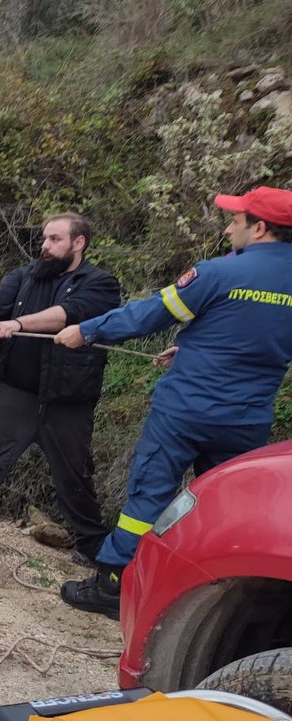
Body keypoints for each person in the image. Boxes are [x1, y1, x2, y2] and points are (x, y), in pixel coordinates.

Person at [54, 186, 292, 619]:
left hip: (185, 411)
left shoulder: (218, 273)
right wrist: (196, 348)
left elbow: (150, 314)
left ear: (260, 228)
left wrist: (87, 331)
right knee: (225, 510)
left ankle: (113, 586)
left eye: (235, 221)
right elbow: (255, 339)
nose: (228, 229)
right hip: (247, 419)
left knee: (148, 497)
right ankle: (214, 606)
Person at [0, 213, 122, 568]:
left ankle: (93, 544)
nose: (44, 246)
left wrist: (17, 323)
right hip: (14, 392)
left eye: (55, 239)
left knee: (75, 474)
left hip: (68, 400)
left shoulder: (101, 284)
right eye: (44, 238)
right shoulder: (25, 276)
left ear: (78, 243)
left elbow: (67, 314)